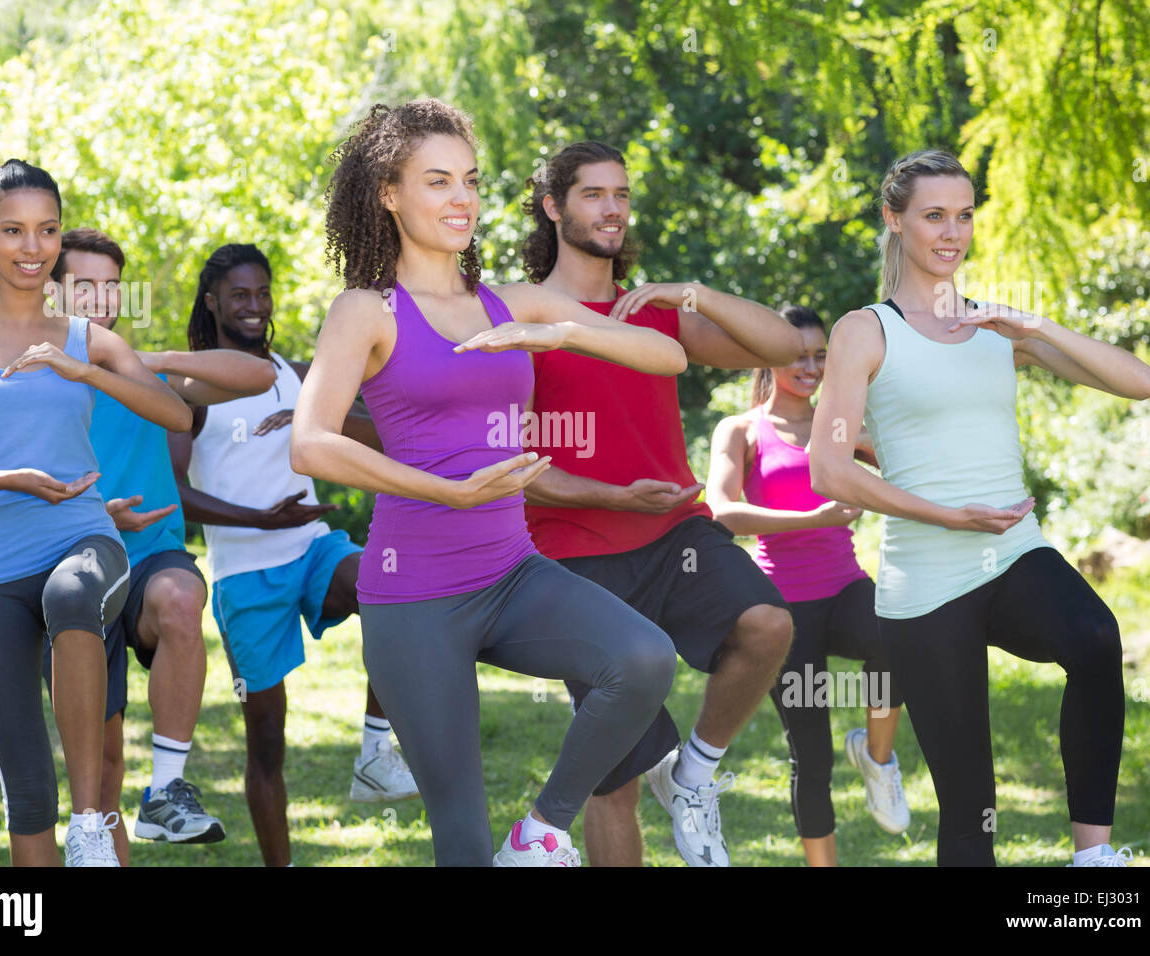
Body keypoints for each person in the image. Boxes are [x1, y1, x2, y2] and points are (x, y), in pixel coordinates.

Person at [290, 99, 688, 867]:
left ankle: (541, 832)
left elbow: (667, 357)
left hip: (511, 572)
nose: (461, 199)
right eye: (437, 182)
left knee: (642, 659)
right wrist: (445, 491)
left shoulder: (517, 303)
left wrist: (565, 331)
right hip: (415, 596)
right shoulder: (365, 312)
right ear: (390, 194)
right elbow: (311, 444)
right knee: (462, 846)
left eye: (469, 181)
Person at [808, 149, 1150, 866]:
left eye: (964, 215)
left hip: (1012, 552)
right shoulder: (865, 331)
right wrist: (945, 515)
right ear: (894, 220)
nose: (951, 232)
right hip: (927, 585)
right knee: (973, 818)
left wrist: (1037, 329)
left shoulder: (994, 330)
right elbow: (830, 468)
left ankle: (1092, 858)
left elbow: (1140, 383)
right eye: (933, 215)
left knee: (1093, 637)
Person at [0, 159, 191, 866]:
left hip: (83, 537)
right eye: (15, 230)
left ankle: (92, 824)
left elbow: (176, 410)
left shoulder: (87, 339)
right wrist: (11, 479)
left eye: (48, 231)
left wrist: (86, 370)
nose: (33, 248)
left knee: (72, 592)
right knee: (26, 794)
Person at [519, 141, 800, 867]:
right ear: (554, 207)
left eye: (621, 194)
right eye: (592, 194)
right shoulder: (522, 320)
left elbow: (783, 343)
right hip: (575, 557)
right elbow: (514, 467)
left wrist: (693, 295)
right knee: (611, 782)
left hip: (677, 533)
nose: (612, 208)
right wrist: (615, 494)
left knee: (768, 624)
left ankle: (695, 774)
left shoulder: (653, 314)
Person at [169, 242, 417, 867]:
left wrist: (315, 414)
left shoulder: (293, 371)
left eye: (262, 293)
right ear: (213, 304)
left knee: (393, 588)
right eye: (240, 296)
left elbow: (384, 431)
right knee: (267, 746)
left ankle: (375, 753)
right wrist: (258, 518)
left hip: (311, 547)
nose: (255, 307)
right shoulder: (189, 386)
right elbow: (175, 493)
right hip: (244, 577)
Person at [37, 227, 277, 863]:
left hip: (149, 561)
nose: (100, 298)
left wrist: (158, 362)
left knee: (180, 597)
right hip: (71, 576)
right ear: (52, 288)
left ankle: (167, 791)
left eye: (111, 285)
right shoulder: (33, 379)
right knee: (104, 758)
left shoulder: (140, 376)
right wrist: (95, 513)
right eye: (84, 285)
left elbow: (257, 374)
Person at [707, 304, 908, 866]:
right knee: (811, 756)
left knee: (896, 636)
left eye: (821, 355)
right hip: (784, 611)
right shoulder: (741, 430)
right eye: (797, 354)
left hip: (846, 589)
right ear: (768, 356)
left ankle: (878, 759)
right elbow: (723, 512)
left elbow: (915, 469)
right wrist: (814, 519)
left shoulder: (841, 426)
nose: (811, 365)